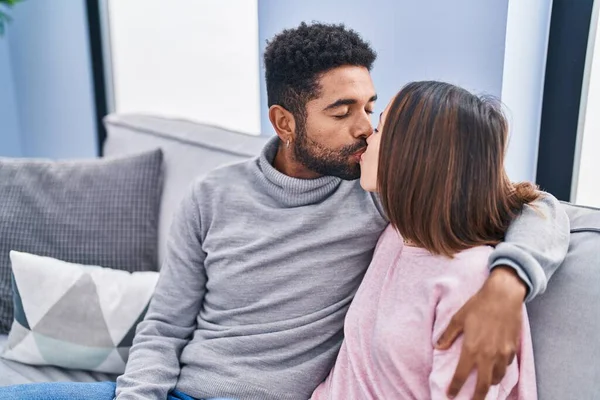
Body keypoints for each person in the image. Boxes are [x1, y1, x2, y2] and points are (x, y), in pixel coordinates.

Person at [0, 23, 568, 400]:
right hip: (178, 389)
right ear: (285, 122)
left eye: (371, 107)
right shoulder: (212, 196)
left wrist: (507, 282)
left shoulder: (382, 197)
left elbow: (536, 205)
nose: (366, 128)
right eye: (342, 110)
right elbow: (165, 324)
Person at [312, 81, 541, 400]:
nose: (366, 137)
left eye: (379, 129)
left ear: (413, 154)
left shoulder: (469, 280)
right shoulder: (397, 233)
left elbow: (538, 205)